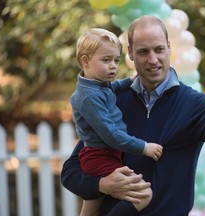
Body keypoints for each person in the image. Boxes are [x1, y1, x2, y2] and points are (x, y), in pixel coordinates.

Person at [61, 16, 205, 215]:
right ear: (130, 53)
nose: (152, 59)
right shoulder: (112, 99)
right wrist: (102, 184)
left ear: (168, 47)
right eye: (143, 52)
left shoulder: (195, 104)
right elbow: (71, 170)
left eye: (158, 49)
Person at [70, 28, 163, 216]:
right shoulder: (89, 98)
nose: (113, 66)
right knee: (143, 193)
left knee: (92, 207)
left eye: (116, 60)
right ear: (85, 61)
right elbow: (111, 135)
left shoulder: (97, 85)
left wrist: (130, 81)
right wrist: (144, 147)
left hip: (102, 154)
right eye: (106, 60)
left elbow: (112, 88)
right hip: (100, 156)